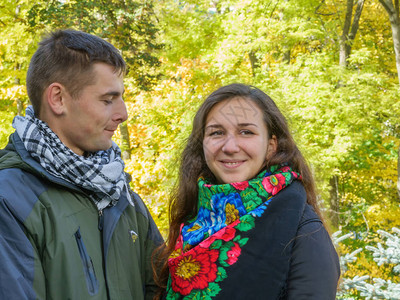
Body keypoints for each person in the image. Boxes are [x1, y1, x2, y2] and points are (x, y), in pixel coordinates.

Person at [0, 29, 162, 299]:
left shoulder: (123, 197)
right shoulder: (10, 200)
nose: (123, 114)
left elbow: (160, 290)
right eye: (108, 100)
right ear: (58, 99)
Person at [155, 83, 340, 299]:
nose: (230, 146)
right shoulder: (192, 223)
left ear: (271, 146)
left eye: (246, 132)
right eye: (216, 133)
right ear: (202, 144)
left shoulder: (304, 230)